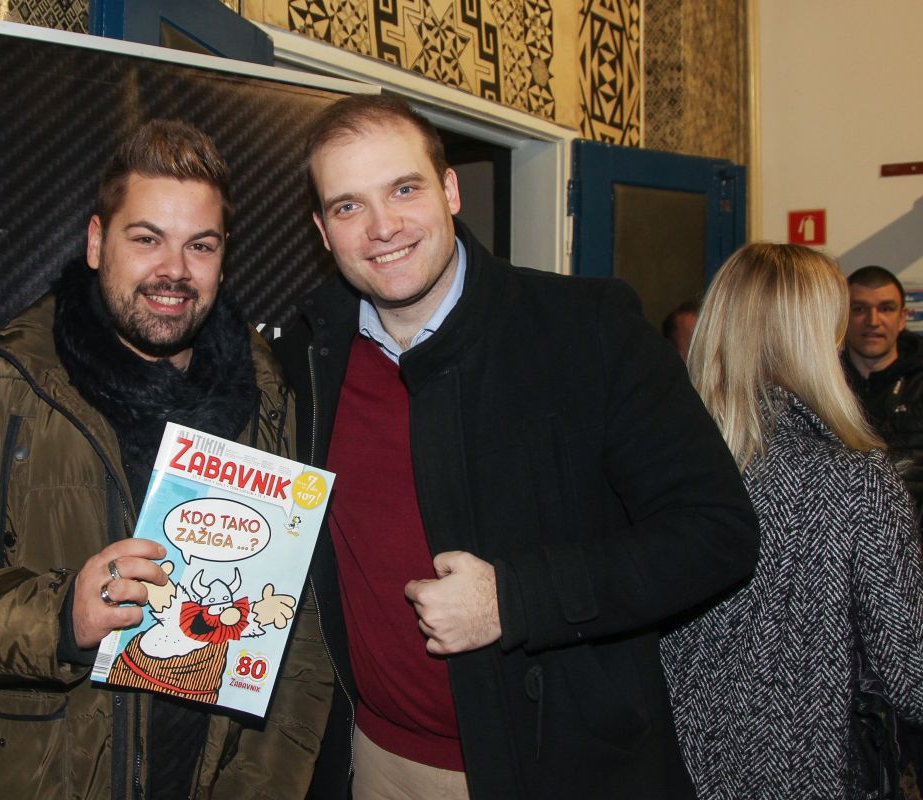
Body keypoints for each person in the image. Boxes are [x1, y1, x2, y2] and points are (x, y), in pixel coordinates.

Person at [272, 94, 760, 799]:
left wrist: (514, 600)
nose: (382, 227)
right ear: (322, 230)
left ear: (449, 190)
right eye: (349, 206)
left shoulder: (587, 329)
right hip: (375, 760)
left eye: (404, 189)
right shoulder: (310, 358)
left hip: (560, 768)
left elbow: (717, 534)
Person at [0, 119, 331, 800]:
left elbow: (302, 632)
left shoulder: (267, 394)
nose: (174, 270)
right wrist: (57, 618)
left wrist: (256, 789)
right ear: (98, 242)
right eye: (146, 239)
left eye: (200, 245)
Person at [660, 243, 923, 799]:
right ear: (819, 337)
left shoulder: (657, 462)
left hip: (670, 764)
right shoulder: (855, 478)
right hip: (805, 770)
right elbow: (909, 674)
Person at [842, 265, 923, 510]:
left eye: (886, 308)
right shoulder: (820, 386)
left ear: (902, 318)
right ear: (842, 317)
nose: (872, 321)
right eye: (859, 309)